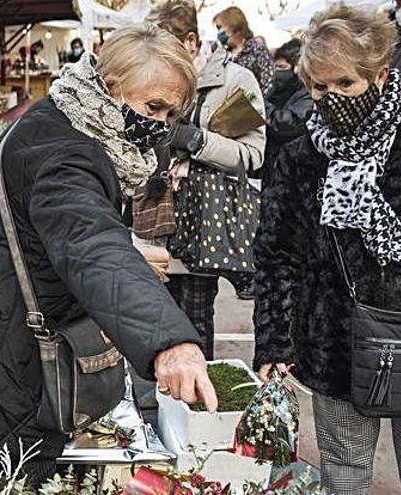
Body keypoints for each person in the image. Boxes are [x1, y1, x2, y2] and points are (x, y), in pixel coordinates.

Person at [0, 23, 217, 484]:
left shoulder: (61, 117)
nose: (161, 125)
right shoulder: (68, 154)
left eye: (171, 114)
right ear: (110, 88)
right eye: (153, 107)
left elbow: (65, 229)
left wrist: (127, 246)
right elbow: (90, 243)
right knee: (5, 478)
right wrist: (168, 341)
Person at [254, 4, 401, 494]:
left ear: (379, 74)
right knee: (343, 475)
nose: (331, 98)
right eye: (319, 87)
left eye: (345, 84)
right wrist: (274, 342)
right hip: (335, 340)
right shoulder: (301, 153)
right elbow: (277, 254)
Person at [144, 0, 265, 357]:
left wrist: (198, 141)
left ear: (192, 42)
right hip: (155, 213)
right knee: (153, 315)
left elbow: (253, 156)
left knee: (195, 317)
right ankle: (160, 405)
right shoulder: (155, 80)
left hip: (205, 219)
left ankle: (194, 403)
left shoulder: (235, 80)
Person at [263, 39, 313, 181]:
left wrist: (258, 104)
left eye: (281, 67)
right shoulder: (276, 90)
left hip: (293, 170)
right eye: (275, 66)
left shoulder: (308, 95)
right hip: (272, 165)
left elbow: (286, 124)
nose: (276, 72)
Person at [214, 6, 275, 95]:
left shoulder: (257, 50)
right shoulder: (223, 55)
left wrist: (252, 101)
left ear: (234, 26)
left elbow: (269, 81)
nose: (219, 32)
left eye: (221, 27)